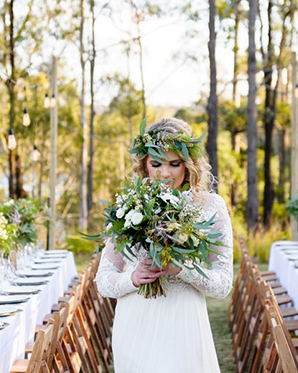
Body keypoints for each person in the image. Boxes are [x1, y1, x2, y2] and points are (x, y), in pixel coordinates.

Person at [95, 117, 233, 373]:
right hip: (135, 324)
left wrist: (182, 269)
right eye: (156, 163)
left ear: (189, 165)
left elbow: (223, 284)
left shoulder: (211, 207)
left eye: (174, 163)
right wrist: (133, 278)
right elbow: (103, 280)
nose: (165, 173)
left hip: (184, 325)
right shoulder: (127, 206)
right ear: (144, 165)